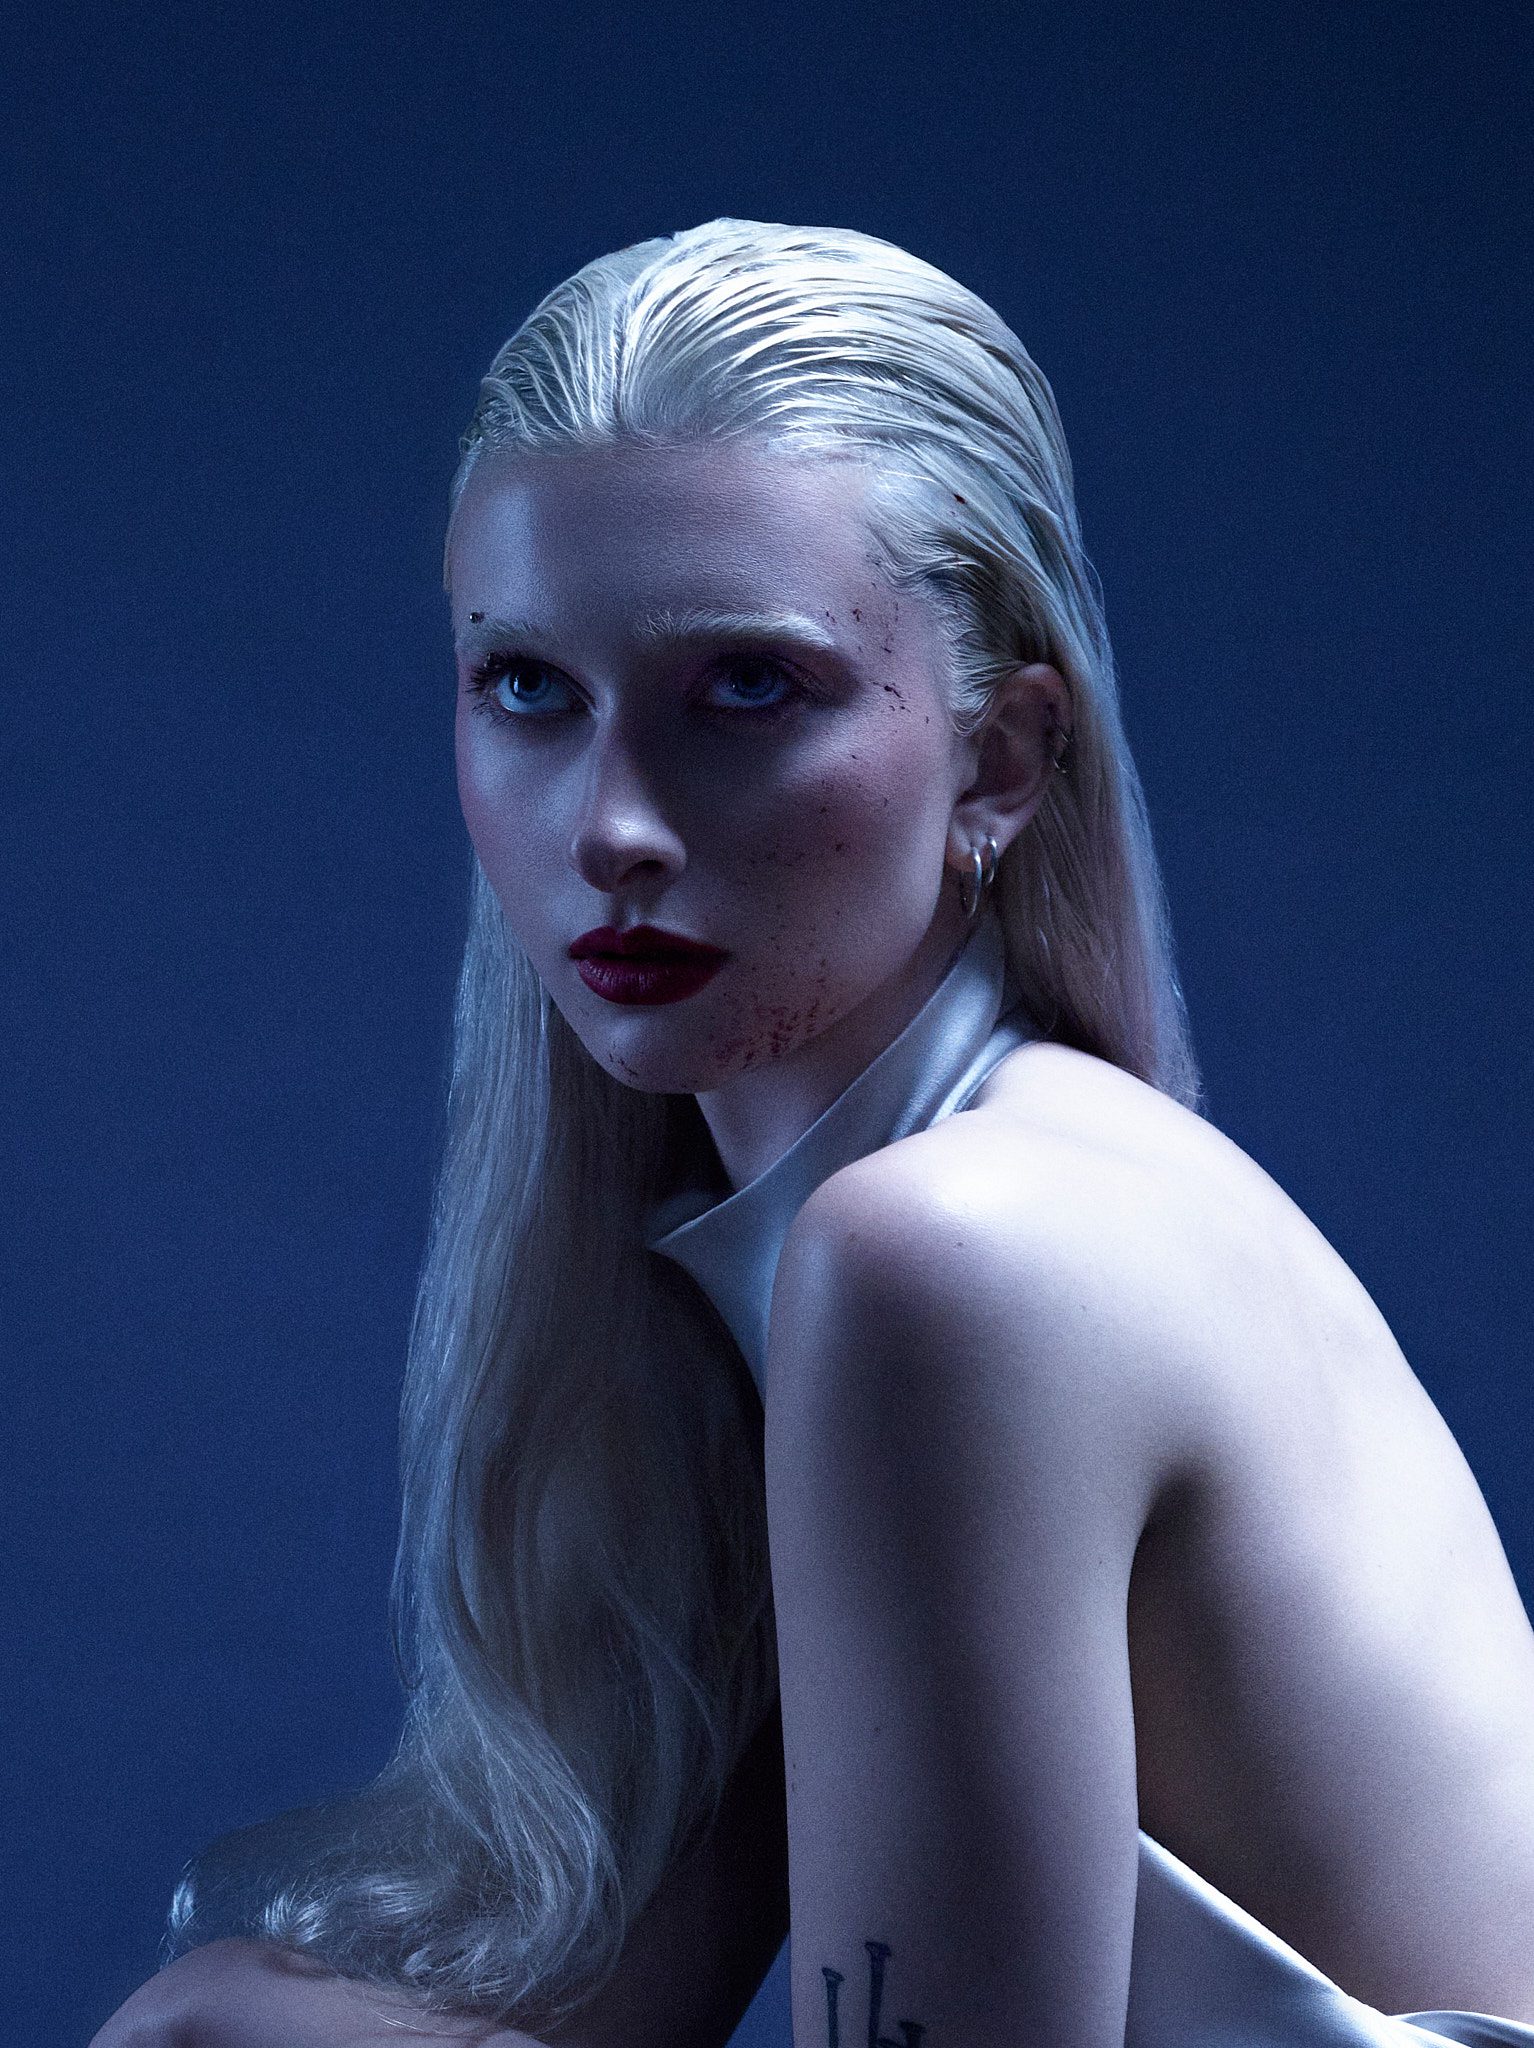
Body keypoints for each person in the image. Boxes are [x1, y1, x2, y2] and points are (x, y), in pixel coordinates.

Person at [92, 218, 1534, 2048]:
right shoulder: (815, 1253)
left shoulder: (958, 1254)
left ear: (998, 761)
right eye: (528, 688)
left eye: (748, 687)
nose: (612, 826)